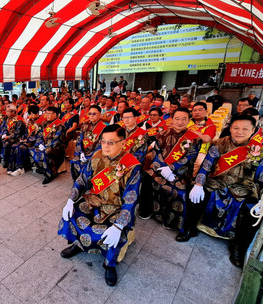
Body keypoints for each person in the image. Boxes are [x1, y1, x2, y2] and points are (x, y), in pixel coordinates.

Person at [58, 124, 142, 286]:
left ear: (123, 143)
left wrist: (118, 226)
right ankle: (78, 244)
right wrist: (70, 200)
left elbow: (131, 199)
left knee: (115, 231)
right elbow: (82, 179)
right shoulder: (96, 156)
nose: (105, 146)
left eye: (111, 142)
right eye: (103, 141)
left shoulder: (132, 166)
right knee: (74, 212)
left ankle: (109, 264)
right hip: (95, 200)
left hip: (117, 207)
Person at [190, 115, 263, 267]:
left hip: (244, 189)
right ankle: (190, 228)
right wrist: (198, 184)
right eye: (236, 128)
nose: (239, 132)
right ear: (230, 128)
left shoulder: (260, 151)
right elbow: (206, 166)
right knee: (196, 194)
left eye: (245, 129)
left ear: (253, 130)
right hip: (217, 184)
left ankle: (238, 247)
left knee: (252, 210)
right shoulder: (219, 144)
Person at [142, 108, 202, 240]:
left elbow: (190, 158)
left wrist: (172, 169)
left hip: (180, 173)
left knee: (179, 190)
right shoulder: (162, 134)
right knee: (146, 176)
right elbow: (156, 152)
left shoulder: (195, 139)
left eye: (184, 119)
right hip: (160, 168)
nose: (180, 122)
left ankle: (172, 222)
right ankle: (148, 211)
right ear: (172, 119)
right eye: (177, 119)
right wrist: (162, 168)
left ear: (189, 120)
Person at [29, 106, 66, 184]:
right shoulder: (44, 123)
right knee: (32, 149)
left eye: (50, 113)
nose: (47, 115)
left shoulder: (60, 125)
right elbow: (39, 135)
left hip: (57, 147)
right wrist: (40, 143)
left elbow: (57, 140)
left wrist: (46, 146)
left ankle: (49, 174)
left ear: (55, 114)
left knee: (46, 152)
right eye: (47, 113)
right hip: (44, 145)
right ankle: (41, 167)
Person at [70, 105, 105, 181]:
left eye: (94, 114)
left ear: (100, 115)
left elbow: (101, 145)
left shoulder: (104, 128)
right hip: (83, 151)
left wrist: (89, 156)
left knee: (88, 164)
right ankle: (78, 182)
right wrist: (81, 152)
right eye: (90, 114)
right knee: (75, 161)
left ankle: (87, 183)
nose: (91, 116)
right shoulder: (85, 126)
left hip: (95, 154)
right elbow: (80, 139)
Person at [7, 105, 40, 176]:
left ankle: (21, 168)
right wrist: (23, 138)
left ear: (37, 114)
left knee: (20, 147)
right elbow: (26, 132)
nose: (30, 116)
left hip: (34, 142)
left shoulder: (40, 122)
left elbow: (38, 136)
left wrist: (27, 140)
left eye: (32, 114)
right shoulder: (30, 121)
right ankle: (12, 167)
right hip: (27, 140)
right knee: (14, 145)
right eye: (30, 114)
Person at [1, 104, 26, 169]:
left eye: (8, 111)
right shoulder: (8, 119)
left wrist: (8, 137)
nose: (6, 113)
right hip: (9, 136)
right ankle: (5, 160)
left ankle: (7, 162)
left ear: (13, 112)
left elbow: (18, 133)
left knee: (7, 143)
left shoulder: (19, 120)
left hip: (17, 138)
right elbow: (5, 128)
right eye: (6, 111)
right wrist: (5, 134)